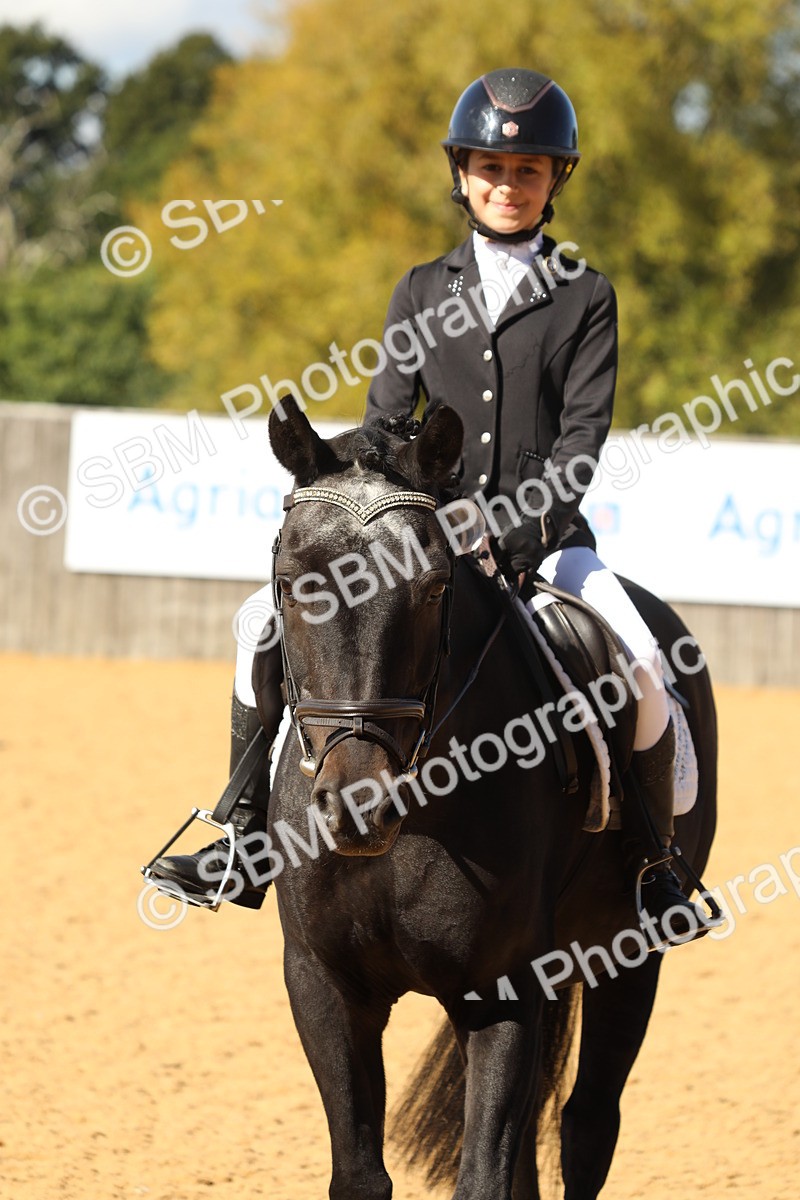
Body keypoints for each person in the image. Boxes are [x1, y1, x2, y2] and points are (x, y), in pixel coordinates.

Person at [148, 67, 710, 945]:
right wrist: (339, 472)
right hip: (418, 540)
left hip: (546, 543)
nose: (507, 186)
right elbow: (384, 426)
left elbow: (581, 442)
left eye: (527, 172)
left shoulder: (585, 295)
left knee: (640, 662)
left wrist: (514, 533)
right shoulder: (421, 288)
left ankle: (653, 866)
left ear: (556, 179)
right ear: (462, 174)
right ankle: (242, 830)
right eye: (490, 168)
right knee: (259, 623)